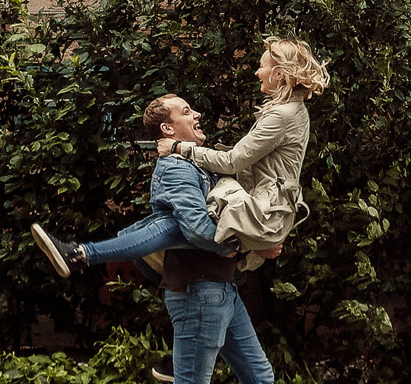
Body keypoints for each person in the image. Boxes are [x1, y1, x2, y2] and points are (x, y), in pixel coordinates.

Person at [122, 96, 332, 384]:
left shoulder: (197, 163)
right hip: (200, 291)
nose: (197, 113)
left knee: (258, 378)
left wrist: (258, 243)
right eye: (185, 112)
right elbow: (203, 230)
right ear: (167, 129)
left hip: (221, 290)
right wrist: (244, 244)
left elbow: (231, 210)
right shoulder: (175, 168)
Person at [30, 39, 327, 277]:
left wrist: (178, 148)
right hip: (265, 213)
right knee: (161, 226)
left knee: (172, 225)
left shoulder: (281, 115)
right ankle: (87, 254)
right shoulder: (292, 112)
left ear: (279, 73)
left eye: (262, 66)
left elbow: (235, 162)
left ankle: (82, 254)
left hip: (262, 214)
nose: (256, 72)